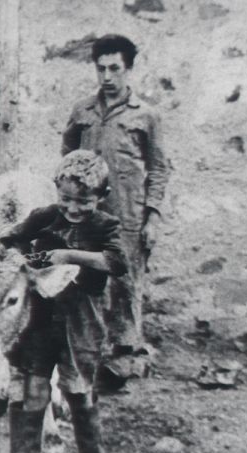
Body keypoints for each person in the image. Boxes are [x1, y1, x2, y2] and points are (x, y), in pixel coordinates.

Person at [0, 150, 130, 453]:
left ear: (100, 197)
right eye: (66, 199)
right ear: (57, 192)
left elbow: (116, 262)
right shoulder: (44, 216)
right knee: (32, 393)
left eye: (83, 202)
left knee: (80, 393)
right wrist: (28, 261)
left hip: (82, 321)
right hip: (39, 318)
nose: (72, 209)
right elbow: (7, 240)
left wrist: (68, 256)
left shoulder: (106, 226)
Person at [62, 34, 172, 367]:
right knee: (84, 281)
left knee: (125, 284)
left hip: (127, 214)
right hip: (86, 214)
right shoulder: (82, 110)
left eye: (115, 69)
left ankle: (126, 354)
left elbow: (159, 168)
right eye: (101, 69)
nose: (107, 77)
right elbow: (67, 155)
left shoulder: (146, 116)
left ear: (129, 70)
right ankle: (86, 349)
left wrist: (152, 216)